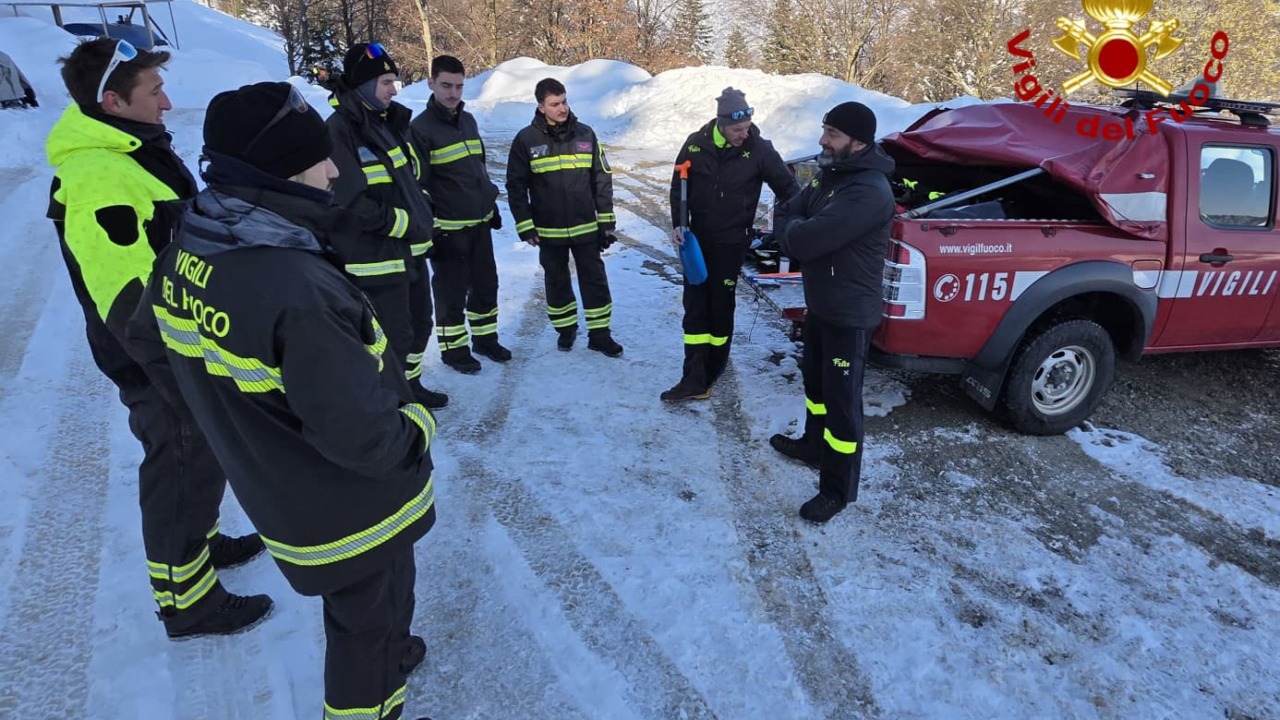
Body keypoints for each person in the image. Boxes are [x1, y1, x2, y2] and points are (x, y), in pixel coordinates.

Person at [128, 82, 438, 720]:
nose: (331, 172)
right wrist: (416, 429)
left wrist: (236, 423)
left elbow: (149, 341)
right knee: (364, 625)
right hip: (349, 505)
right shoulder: (291, 283)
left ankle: (392, 654)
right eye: (316, 160)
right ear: (276, 171)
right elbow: (365, 437)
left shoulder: (196, 237)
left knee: (377, 616)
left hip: (286, 487)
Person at [45, 37, 271, 638]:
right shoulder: (99, 175)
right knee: (178, 461)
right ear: (114, 102)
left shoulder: (135, 150)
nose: (168, 103)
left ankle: (199, 543)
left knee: (200, 456)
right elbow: (124, 294)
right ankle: (187, 603)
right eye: (154, 91)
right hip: (154, 354)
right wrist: (178, 372)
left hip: (181, 339)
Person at [767, 102, 895, 524]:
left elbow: (802, 241)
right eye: (825, 130)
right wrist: (795, 227)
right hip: (821, 304)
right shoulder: (831, 175)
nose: (823, 140)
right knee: (815, 384)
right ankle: (812, 445)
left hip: (848, 314)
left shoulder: (869, 191)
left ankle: (838, 490)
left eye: (833, 134)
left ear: (859, 142)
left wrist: (795, 230)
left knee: (842, 403)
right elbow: (788, 209)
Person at [326, 42, 447, 409]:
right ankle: (387, 403)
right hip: (374, 259)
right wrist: (405, 222)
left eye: (394, 82)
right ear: (363, 85)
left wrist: (424, 214)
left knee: (419, 326)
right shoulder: (340, 130)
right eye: (385, 83)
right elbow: (349, 201)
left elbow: (409, 180)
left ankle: (409, 386)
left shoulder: (386, 123)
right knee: (389, 335)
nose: (394, 90)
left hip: (407, 252)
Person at [662, 87, 798, 402]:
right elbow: (677, 186)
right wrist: (678, 223)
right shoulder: (695, 145)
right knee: (695, 309)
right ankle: (693, 376)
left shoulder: (759, 150)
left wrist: (788, 228)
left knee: (720, 309)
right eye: (737, 129)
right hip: (697, 243)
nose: (743, 134)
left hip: (732, 243)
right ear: (721, 124)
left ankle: (711, 372)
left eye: (747, 127)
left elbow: (789, 189)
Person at [506, 77, 624, 356]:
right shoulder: (526, 140)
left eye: (564, 101)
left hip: (586, 226)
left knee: (594, 280)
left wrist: (606, 221)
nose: (562, 108)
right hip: (549, 230)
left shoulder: (585, 134)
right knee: (556, 281)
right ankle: (566, 330)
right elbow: (515, 185)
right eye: (555, 104)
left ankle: (600, 335)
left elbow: (602, 178)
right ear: (541, 106)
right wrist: (525, 225)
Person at [410, 54, 510, 374]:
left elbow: (477, 168)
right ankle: (454, 350)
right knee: (451, 292)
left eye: (459, 86)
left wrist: (489, 203)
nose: (454, 93)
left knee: (485, 285)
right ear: (431, 83)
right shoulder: (420, 129)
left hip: (478, 223)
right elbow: (418, 185)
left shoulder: (467, 120)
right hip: (447, 229)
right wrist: (432, 227)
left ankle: (485, 339)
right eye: (446, 86)